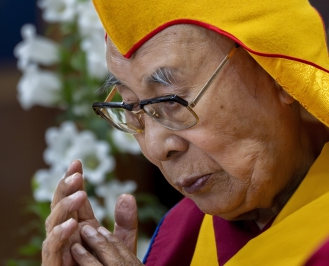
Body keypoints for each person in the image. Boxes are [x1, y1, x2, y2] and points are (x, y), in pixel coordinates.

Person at [41, 0, 329, 265]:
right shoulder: (182, 235)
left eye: (171, 100)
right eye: (131, 106)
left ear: (279, 74)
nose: (155, 148)